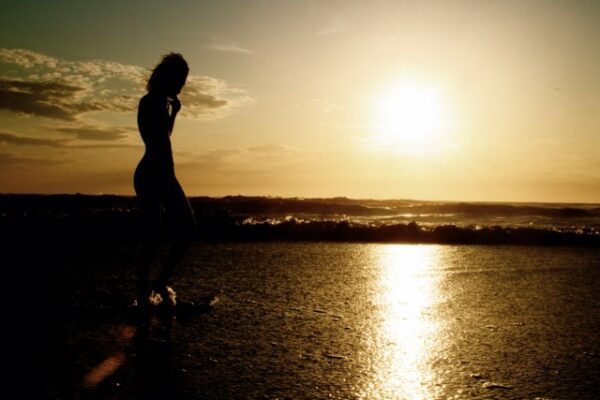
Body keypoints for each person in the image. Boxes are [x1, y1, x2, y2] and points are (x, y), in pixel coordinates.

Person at [134, 53, 196, 309]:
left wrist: (174, 114)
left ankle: (155, 287)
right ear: (169, 78)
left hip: (160, 173)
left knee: (175, 232)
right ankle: (146, 294)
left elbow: (164, 135)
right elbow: (156, 139)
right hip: (154, 173)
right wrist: (169, 113)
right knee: (157, 236)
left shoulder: (158, 103)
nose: (180, 88)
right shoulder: (150, 103)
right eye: (179, 82)